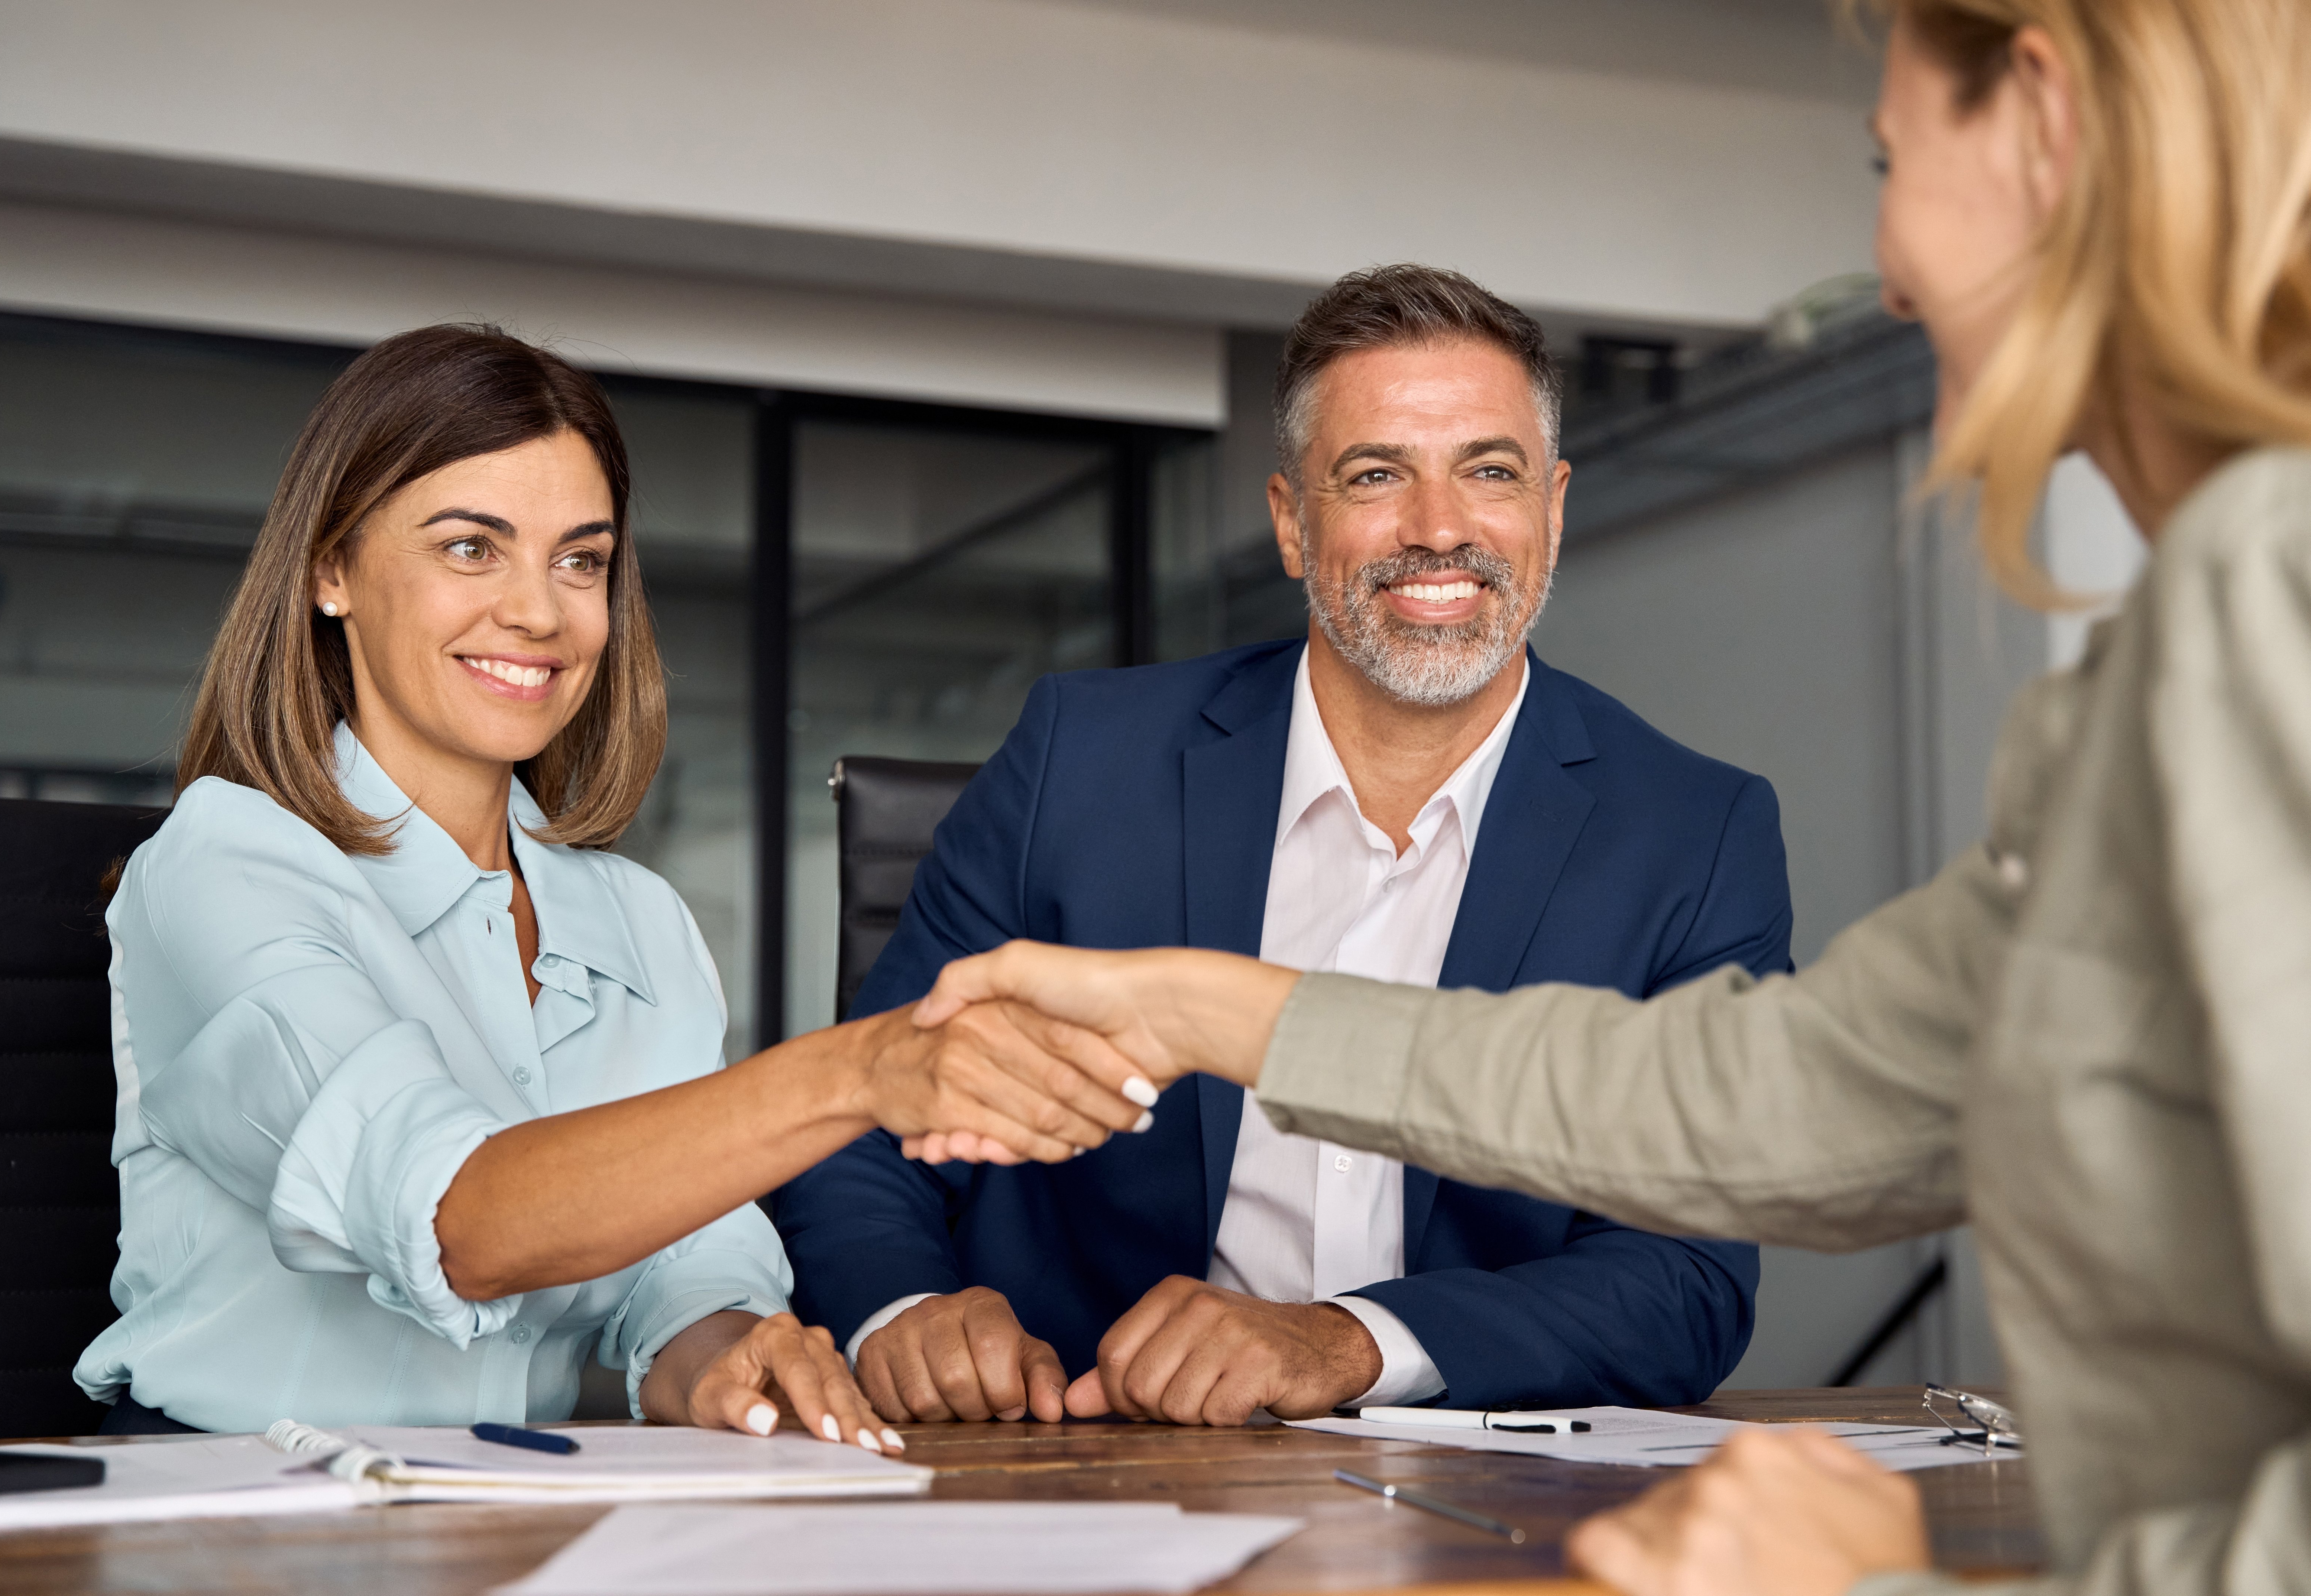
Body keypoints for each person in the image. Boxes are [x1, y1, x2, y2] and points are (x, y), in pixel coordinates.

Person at [906, 0, 2311, 1590]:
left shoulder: (2270, 599)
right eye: (1377, 475)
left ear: (2044, 126)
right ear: (1290, 518)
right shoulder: (2179, 648)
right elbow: (1793, 1101)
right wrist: (1213, 1013)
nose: (1887, 262)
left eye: (1885, 162)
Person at [72, 325, 1145, 1446]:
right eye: (471, 548)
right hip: (241, 1515)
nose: (541, 612)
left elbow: (685, 1270)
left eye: (580, 561)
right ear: (329, 570)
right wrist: (862, 1073)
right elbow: (458, 1218)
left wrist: (730, 1354)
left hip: (514, 1510)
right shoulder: (223, 865)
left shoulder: (639, 921)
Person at [774, 266, 1782, 1429]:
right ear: (1294, 525)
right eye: (1375, 476)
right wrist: (907, 1309)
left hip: (1475, 1501)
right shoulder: (1079, 759)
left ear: (1553, 509)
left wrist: (1351, 1343)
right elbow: (860, 1115)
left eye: (1489, 472)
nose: (1440, 530)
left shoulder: (1696, 834)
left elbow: (1689, 1273)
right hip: (1084, 1468)